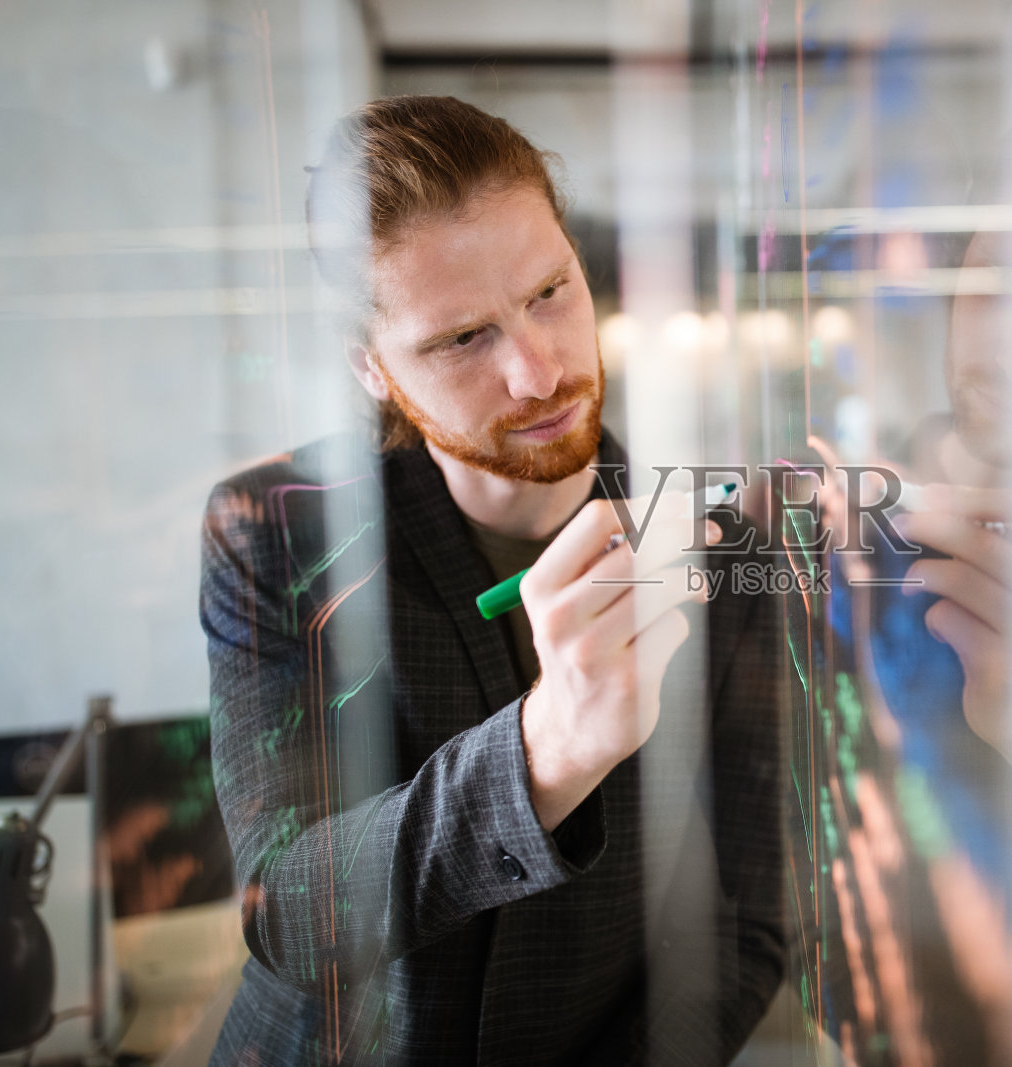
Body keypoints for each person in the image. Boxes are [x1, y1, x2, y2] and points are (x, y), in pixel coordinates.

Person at [200, 96, 787, 1066]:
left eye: (550, 292)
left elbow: (752, 914)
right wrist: (547, 750)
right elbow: (290, 913)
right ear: (374, 369)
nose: (537, 370)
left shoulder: (717, 538)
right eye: (460, 338)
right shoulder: (277, 531)